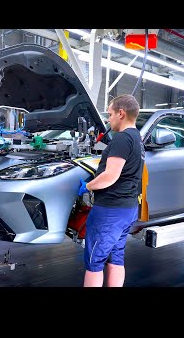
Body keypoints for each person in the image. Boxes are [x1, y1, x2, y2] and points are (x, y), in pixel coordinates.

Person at [78, 94, 145, 287]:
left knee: (94, 261)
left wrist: (87, 186)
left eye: (110, 114)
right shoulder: (137, 138)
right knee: (116, 258)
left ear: (121, 113)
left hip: (110, 211)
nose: (108, 119)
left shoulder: (122, 139)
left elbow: (110, 176)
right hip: (127, 209)